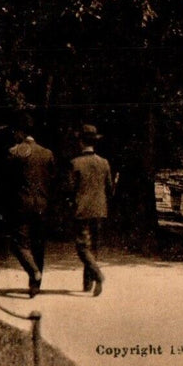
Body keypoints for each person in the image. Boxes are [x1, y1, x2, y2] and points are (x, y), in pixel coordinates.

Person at [6, 113, 56, 297]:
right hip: (42, 204)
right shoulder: (47, 153)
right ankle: (35, 285)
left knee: (17, 243)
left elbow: (7, 182)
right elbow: (51, 180)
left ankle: (33, 271)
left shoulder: (14, 152)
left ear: (20, 132)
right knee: (38, 244)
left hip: (21, 204)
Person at [68, 124, 115, 297]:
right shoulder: (104, 162)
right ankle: (87, 284)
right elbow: (109, 188)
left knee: (82, 247)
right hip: (100, 210)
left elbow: (69, 189)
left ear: (80, 142)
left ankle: (98, 275)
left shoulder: (75, 163)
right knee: (93, 247)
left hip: (81, 211)